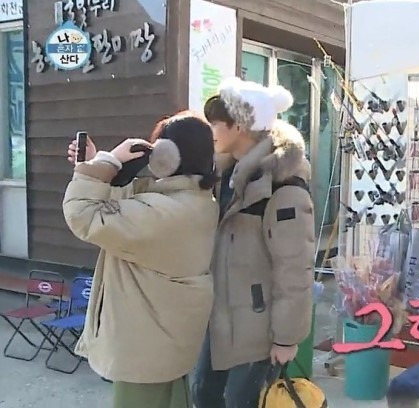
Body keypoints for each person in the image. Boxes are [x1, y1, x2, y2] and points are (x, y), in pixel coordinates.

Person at [62, 112, 220, 408]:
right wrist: (100, 165)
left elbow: (83, 213)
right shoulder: (195, 201)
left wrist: (108, 163)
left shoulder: (164, 212)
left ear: (166, 155)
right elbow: (126, 202)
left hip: (145, 353)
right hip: (165, 345)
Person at [191, 78, 315, 408]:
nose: (211, 131)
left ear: (240, 125)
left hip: (258, 327)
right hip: (220, 318)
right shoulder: (224, 176)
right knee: (203, 394)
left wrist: (287, 337)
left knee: (240, 402)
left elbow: (295, 267)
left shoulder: (282, 185)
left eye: (216, 123)